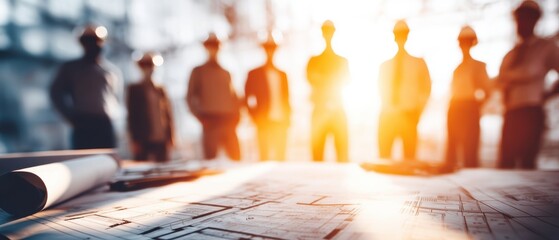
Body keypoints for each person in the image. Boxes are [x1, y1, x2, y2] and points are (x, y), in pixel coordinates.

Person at [496, 0, 559, 169]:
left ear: (535, 20)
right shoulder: (510, 54)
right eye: (518, 19)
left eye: (525, 18)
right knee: (505, 163)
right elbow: (501, 82)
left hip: (531, 112)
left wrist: (549, 93)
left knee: (527, 164)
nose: (520, 23)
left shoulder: (545, 48)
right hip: (511, 114)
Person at [50, 25, 121, 150]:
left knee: (107, 160)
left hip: (104, 123)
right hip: (83, 124)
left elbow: (115, 96)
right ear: (83, 44)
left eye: (97, 41)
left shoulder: (110, 70)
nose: (94, 45)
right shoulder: (71, 68)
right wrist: (70, 116)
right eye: (89, 41)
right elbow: (56, 93)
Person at [378, 20, 431, 161]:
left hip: (409, 116)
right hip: (387, 117)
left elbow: (426, 90)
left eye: (403, 34)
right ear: (394, 36)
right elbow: (380, 91)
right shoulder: (385, 65)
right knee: (384, 160)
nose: (400, 37)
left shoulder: (418, 63)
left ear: (407, 36)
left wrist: (418, 113)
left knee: (409, 161)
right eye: (398, 34)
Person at [186, 34, 241, 161]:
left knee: (236, 159)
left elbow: (234, 97)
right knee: (210, 162)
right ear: (205, 48)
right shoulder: (198, 71)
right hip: (210, 122)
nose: (213, 49)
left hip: (228, 121)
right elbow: (189, 97)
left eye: (216, 46)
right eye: (210, 46)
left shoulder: (226, 72)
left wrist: (237, 116)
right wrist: (200, 117)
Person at [445, 26, 490, 169]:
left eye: (467, 41)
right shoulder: (457, 68)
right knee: (452, 149)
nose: (464, 45)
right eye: (462, 42)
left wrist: (476, 107)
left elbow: (487, 90)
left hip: (470, 107)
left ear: (472, 43)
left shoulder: (478, 66)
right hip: (454, 107)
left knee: (470, 149)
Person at [306, 20, 350, 162]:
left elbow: (345, 80)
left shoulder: (341, 60)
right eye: (326, 32)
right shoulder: (314, 60)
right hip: (320, 112)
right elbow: (311, 79)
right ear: (322, 34)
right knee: (317, 155)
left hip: (337, 112)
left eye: (330, 32)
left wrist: (323, 79)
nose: (328, 35)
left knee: (342, 155)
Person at [245, 33, 291, 161]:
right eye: (268, 49)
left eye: (273, 49)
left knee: (281, 158)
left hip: (281, 122)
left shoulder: (282, 74)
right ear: (264, 50)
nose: (270, 52)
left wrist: (288, 119)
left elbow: (287, 99)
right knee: (264, 157)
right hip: (263, 122)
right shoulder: (254, 74)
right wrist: (254, 116)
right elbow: (247, 98)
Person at [126, 53, 175, 162]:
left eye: (150, 65)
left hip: (161, 138)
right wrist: (134, 140)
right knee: (142, 168)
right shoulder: (134, 89)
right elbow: (132, 116)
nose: (148, 68)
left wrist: (171, 137)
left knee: (164, 168)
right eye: (145, 65)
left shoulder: (160, 89)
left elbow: (168, 114)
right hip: (143, 139)